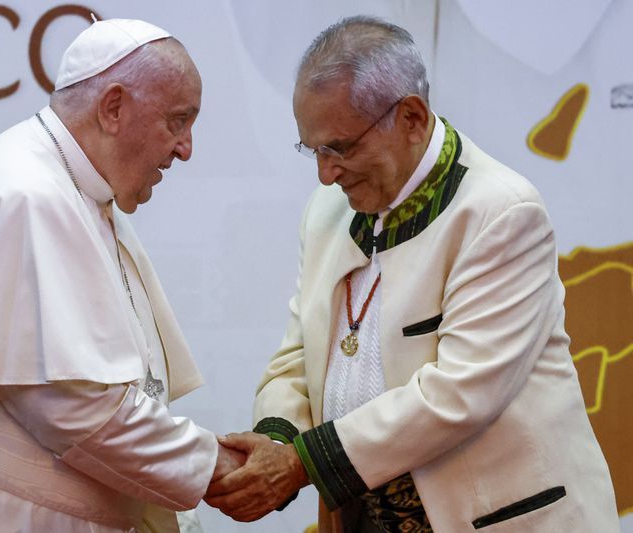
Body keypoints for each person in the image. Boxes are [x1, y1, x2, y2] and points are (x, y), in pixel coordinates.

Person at [205, 16, 619, 532]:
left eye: (341, 147)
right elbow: (298, 355)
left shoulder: (502, 213)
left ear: (412, 117)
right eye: (313, 150)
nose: (325, 174)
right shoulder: (325, 212)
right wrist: (277, 439)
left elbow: (459, 394)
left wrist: (301, 464)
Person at [0, 18, 242, 533]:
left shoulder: (76, 189)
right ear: (114, 107)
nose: (186, 147)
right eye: (177, 120)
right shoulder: (27, 195)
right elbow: (74, 409)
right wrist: (218, 468)